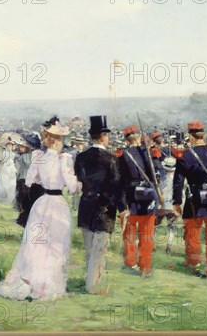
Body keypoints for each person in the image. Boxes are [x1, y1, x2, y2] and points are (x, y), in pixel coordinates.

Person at [0, 117, 81, 300]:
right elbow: (72, 187)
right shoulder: (64, 159)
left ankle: (33, 281)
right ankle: (47, 285)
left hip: (42, 203)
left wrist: (44, 178)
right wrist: (81, 185)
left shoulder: (39, 157)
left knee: (36, 245)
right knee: (55, 245)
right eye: (61, 139)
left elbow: (30, 180)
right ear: (56, 140)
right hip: (56, 205)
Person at [75, 115, 125, 293]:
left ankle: (90, 281)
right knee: (100, 249)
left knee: (89, 248)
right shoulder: (111, 159)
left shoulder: (80, 158)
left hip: (86, 205)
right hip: (104, 208)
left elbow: (79, 179)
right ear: (103, 136)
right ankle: (93, 285)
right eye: (107, 135)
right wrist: (123, 208)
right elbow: (117, 186)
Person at [173, 121, 207, 279]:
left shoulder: (186, 155)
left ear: (191, 136)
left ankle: (194, 263)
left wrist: (176, 202)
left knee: (192, 234)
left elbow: (178, 182)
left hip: (194, 200)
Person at [119, 125, 161, 278]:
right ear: (138, 136)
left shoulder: (122, 155)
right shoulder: (149, 153)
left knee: (129, 233)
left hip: (130, 198)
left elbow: (120, 180)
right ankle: (145, 268)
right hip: (148, 196)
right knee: (147, 234)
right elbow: (159, 174)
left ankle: (130, 262)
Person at [155, 156, 178, 255]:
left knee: (155, 225)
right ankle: (169, 245)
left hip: (161, 205)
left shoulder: (160, 178)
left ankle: (151, 244)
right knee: (171, 227)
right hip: (172, 206)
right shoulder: (178, 179)